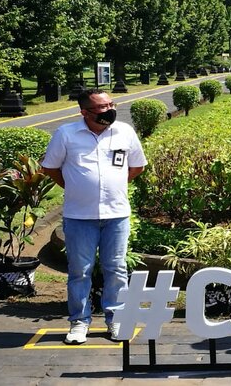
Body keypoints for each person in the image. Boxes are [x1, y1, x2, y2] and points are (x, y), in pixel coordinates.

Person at [42, 88, 147, 344]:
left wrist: (113, 186)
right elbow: (50, 168)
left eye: (111, 104)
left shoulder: (125, 132)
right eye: (101, 107)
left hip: (117, 215)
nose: (109, 110)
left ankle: (116, 319)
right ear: (85, 112)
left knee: (116, 269)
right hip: (79, 217)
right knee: (80, 271)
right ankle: (79, 322)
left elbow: (137, 166)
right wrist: (76, 187)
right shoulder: (66, 134)